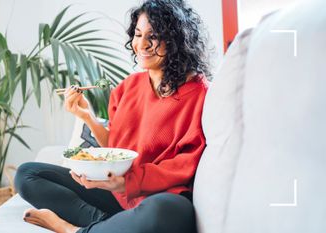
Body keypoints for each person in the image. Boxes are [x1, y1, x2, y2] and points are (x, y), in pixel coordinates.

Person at [14, 0, 210, 232]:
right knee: (27, 174)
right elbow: (116, 148)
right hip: (116, 192)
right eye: (137, 34)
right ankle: (106, 224)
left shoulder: (199, 92)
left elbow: (183, 164)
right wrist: (88, 117)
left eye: (153, 36)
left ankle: (72, 229)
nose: (142, 44)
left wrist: (127, 181)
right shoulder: (127, 87)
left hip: (157, 196)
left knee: (167, 212)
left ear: (176, 41)